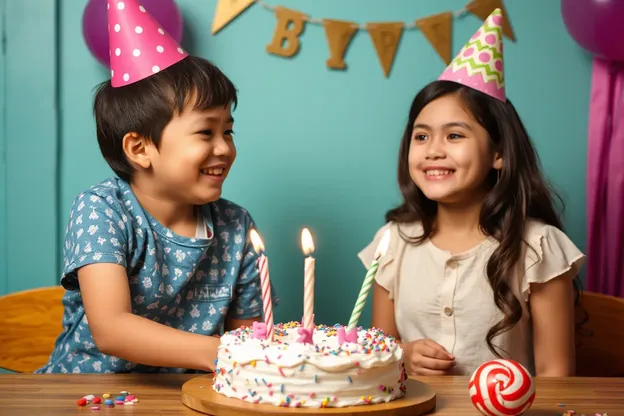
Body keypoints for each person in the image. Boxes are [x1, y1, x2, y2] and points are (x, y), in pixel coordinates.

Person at [36, 0, 277, 374]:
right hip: (85, 395)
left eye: (228, 131)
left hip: (184, 400)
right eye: (205, 132)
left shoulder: (235, 225)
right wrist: (224, 353)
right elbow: (112, 329)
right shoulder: (102, 209)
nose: (224, 148)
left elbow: (249, 339)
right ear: (140, 148)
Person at [359, 9, 585, 378]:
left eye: (454, 135)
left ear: (499, 153)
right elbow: (380, 354)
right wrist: (404, 354)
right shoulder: (392, 243)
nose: (433, 150)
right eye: (421, 136)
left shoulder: (537, 248)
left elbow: (555, 376)